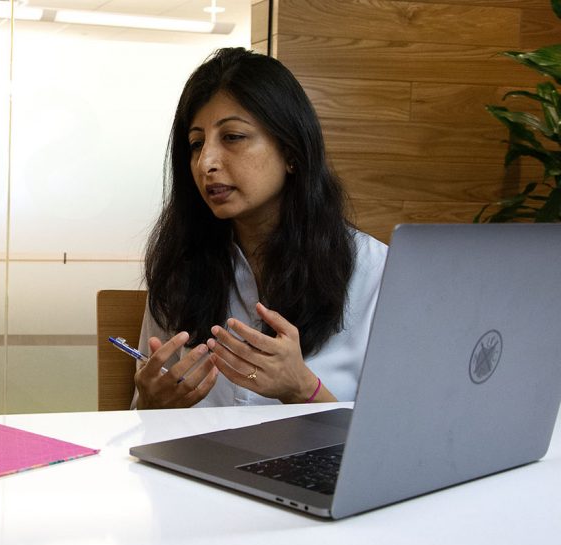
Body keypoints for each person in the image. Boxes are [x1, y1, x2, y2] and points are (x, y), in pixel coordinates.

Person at [133, 47, 387, 409]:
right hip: (193, 464)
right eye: (195, 143)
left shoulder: (374, 271)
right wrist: (150, 407)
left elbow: (395, 442)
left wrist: (302, 389)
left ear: (291, 153)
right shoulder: (181, 265)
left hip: (314, 465)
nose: (206, 162)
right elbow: (138, 427)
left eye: (233, 137)